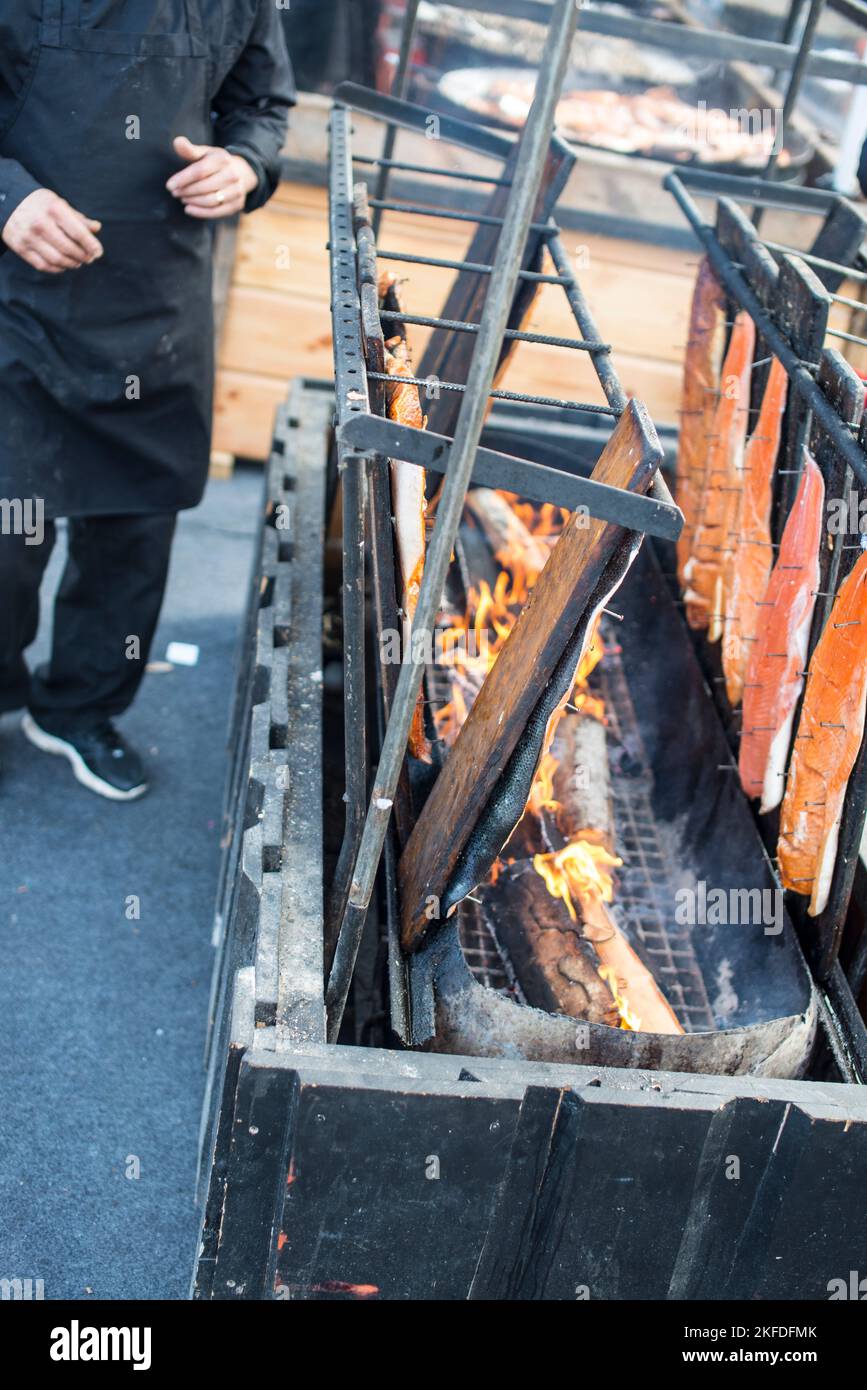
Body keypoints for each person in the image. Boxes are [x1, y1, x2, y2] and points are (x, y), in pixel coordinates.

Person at [0, 1, 295, 801]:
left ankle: (80, 710)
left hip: (158, 305)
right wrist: (9, 199)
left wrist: (244, 165)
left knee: (134, 535)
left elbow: (262, 106)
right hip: (14, 303)